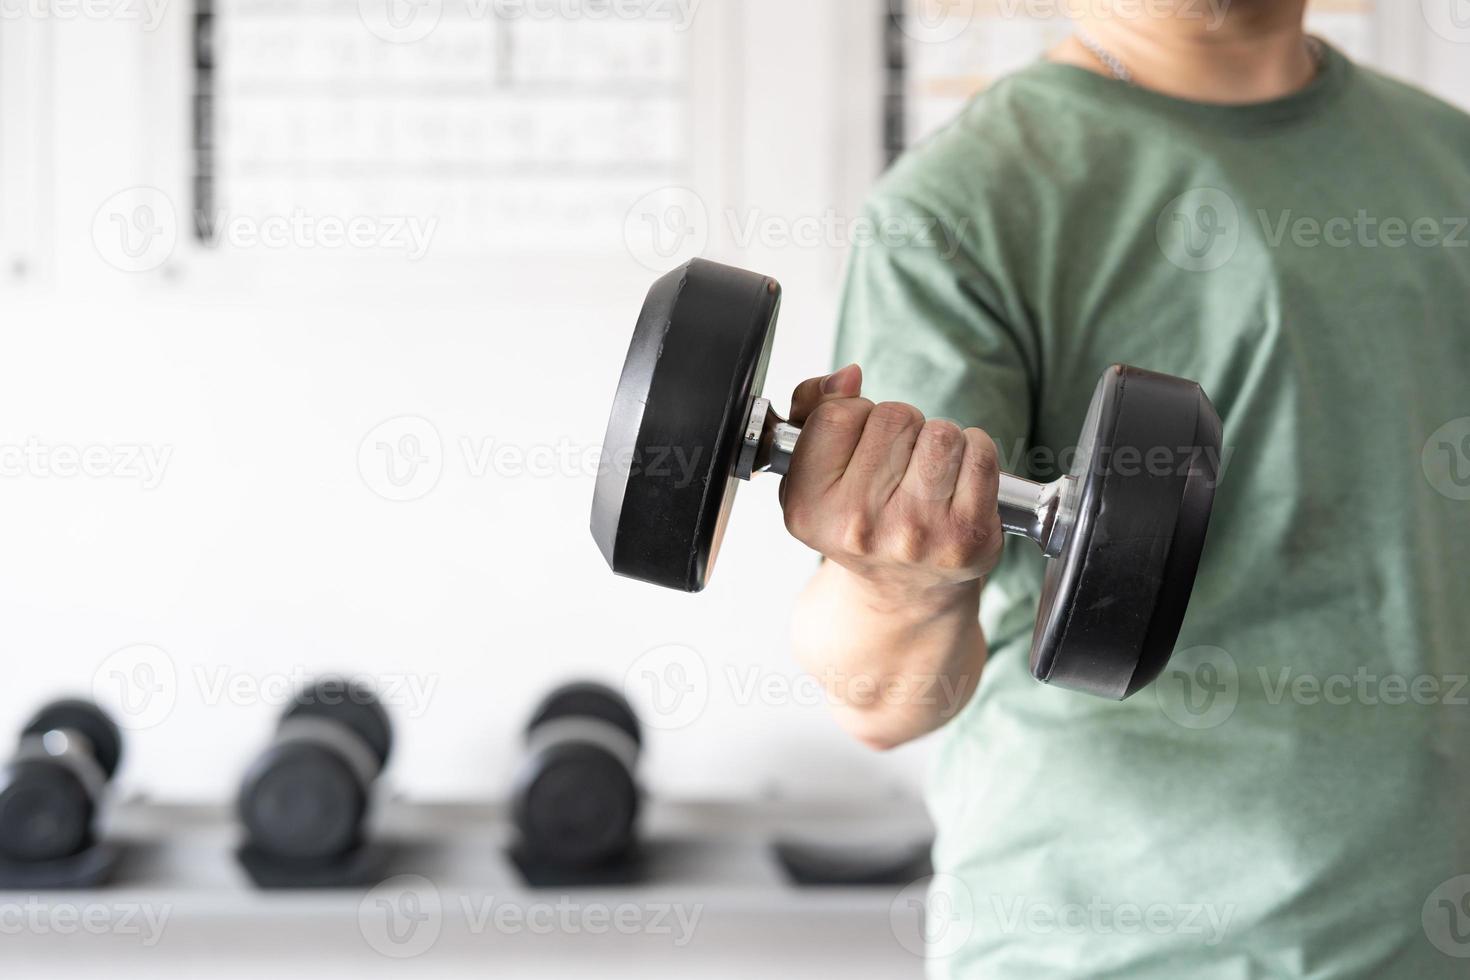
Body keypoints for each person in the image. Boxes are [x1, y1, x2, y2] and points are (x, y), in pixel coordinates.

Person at [783, 2, 1470, 976]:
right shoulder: (965, 201)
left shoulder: (1446, 157)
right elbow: (887, 698)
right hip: (1110, 948)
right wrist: (892, 586)